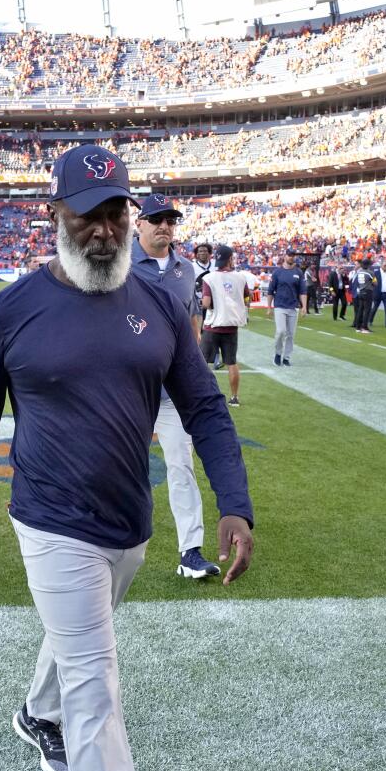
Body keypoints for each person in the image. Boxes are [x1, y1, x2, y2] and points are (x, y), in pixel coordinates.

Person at [0, 145, 253, 771]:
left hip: (128, 528)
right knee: (97, 688)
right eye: (89, 214)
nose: (106, 229)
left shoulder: (155, 299)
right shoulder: (9, 312)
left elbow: (206, 409)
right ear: (57, 216)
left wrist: (236, 504)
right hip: (49, 521)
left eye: (116, 212)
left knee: (81, 638)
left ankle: (30, 713)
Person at [130, 193, 222, 581]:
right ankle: (105, 544)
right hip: (128, 387)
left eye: (170, 219)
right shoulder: (118, 264)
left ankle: (191, 552)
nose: (164, 226)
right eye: (156, 219)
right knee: (115, 465)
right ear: (139, 224)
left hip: (171, 392)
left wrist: (195, 369)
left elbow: (192, 325)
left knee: (181, 467)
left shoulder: (186, 270)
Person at [200, 245, 255, 407]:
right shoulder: (241, 277)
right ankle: (234, 397)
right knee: (231, 362)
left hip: (213, 325)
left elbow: (206, 303)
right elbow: (247, 298)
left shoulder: (209, 278)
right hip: (231, 326)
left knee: (204, 363)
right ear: (230, 259)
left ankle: (203, 395)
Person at [267, 252, 307, 366]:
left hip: (293, 307)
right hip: (279, 306)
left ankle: (286, 357)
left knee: (291, 334)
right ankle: (278, 354)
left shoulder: (298, 272)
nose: (291, 257)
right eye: (289, 255)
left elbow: (303, 291)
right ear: (285, 257)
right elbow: (270, 291)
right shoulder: (277, 272)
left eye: (293, 255)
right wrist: (269, 307)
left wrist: (304, 306)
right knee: (281, 331)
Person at [351, 259, 375, 332]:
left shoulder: (359, 272)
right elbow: (375, 283)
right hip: (368, 292)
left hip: (361, 291)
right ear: (368, 265)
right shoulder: (370, 273)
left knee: (360, 310)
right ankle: (364, 327)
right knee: (367, 310)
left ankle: (358, 327)